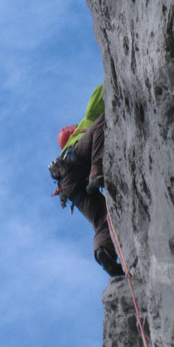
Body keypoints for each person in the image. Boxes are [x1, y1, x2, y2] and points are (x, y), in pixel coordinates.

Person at [49, 85, 124, 277]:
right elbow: (102, 90)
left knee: (102, 220)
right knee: (102, 122)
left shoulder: (62, 154)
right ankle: (96, 173)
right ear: (72, 131)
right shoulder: (84, 125)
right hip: (77, 163)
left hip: (70, 187)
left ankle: (104, 252)